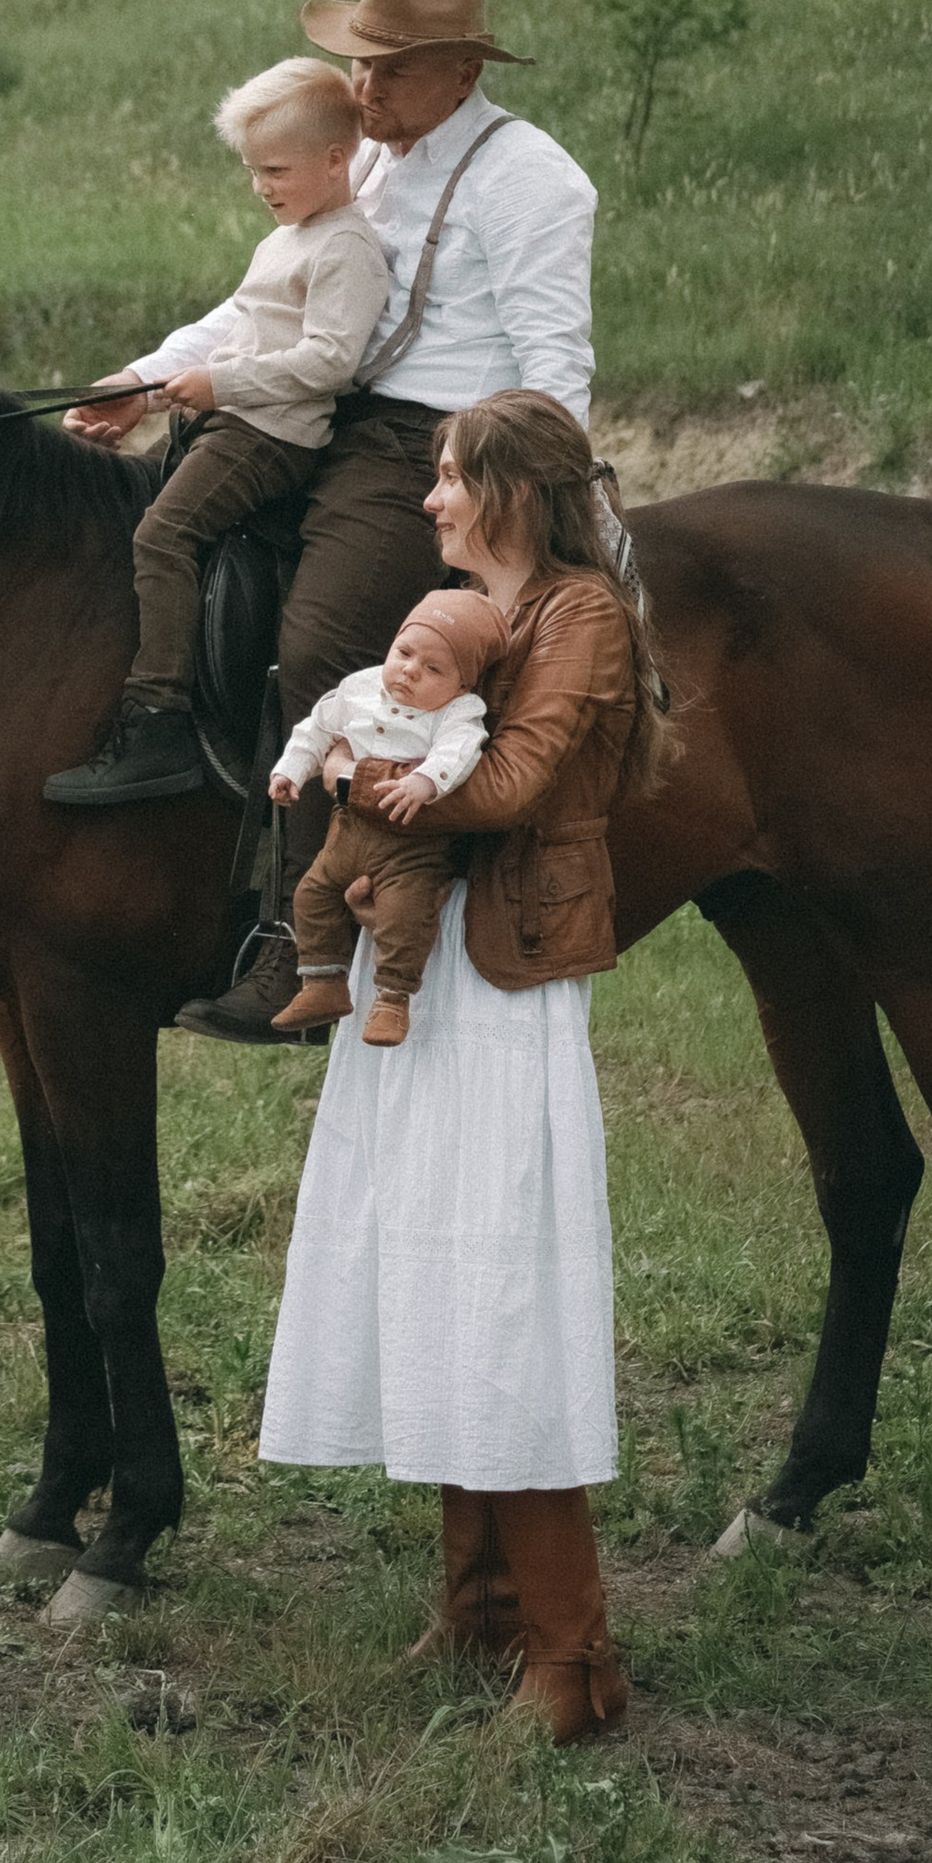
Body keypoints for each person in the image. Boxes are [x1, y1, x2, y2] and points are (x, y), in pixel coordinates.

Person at [72, 0, 599, 1040]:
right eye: (357, 66)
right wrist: (141, 377)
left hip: (443, 444)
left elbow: (555, 363)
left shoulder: (533, 180)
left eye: (392, 71)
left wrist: (501, 506)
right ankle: (165, 764)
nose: (363, 92)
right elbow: (261, 308)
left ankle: (303, 947)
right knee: (164, 537)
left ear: (463, 69)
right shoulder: (360, 160)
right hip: (319, 412)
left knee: (323, 648)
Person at [257, 388, 671, 1742]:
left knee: (504, 1292)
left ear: (508, 492)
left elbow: (507, 790)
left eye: (447, 477)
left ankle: (572, 1657)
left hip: (501, 984)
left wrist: (355, 792)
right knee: (431, 1268)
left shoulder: (579, 618)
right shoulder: (466, 625)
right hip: (414, 982)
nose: (429, 499)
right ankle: (482, 1607)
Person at [43, 56, 390, 809]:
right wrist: (154, 387)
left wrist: (217, 386)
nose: (261, 186)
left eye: (274, 169)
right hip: (233, 420)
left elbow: (331, 361)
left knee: (163, 536)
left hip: (273, 437)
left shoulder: (346, 248)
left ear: (338, 160)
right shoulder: (291, 235)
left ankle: (160, 714)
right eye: (252, 172)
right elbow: (245, 327)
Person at [267, 583, 508, 1044]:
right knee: (311, 895)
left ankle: (393, 1000)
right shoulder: (359, 688)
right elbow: (314, 730)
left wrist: (425, 781)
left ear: (462, 682)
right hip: (349, 829)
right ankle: (322, 983)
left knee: (404, 914)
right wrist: (291, 772)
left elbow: (461, 751)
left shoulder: (459, 712)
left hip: (410, 842)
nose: (409, 672)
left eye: (433, 668)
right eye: (404, 652)